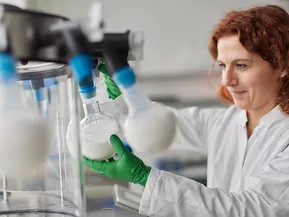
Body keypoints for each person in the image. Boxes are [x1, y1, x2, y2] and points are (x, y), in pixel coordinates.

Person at [84, 5, 289, 217]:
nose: (227, 80)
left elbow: (252, 209)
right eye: (222, 66)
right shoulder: (227, 121)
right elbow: (159, 126)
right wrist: (121, 98)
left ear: (282, 65)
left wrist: (145, 178)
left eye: (242, 65)